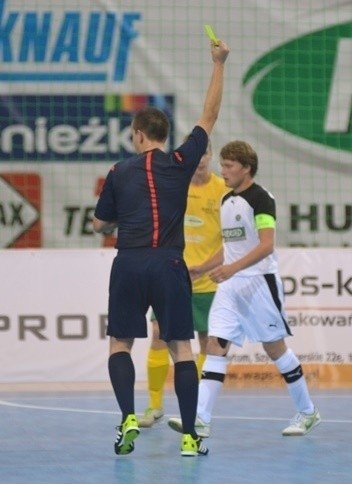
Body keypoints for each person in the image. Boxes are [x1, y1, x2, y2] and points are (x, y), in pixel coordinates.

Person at [92, 38, 230, 457]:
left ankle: (128, 418)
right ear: (166, 136)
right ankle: (190, 437)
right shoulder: (180, 162)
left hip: (130, 262)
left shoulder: (118, 171)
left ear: (137, 136)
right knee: (182, 349)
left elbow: (100, 223)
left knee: (120, 343)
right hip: (171, 263)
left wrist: (121, 216)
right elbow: (210, 114)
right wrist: (219, 64)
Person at [166, 140, 321, 438]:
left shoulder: (262, 199)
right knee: (215, 344)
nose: (222, 171)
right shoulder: (226, 201)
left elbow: (266, 245)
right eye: (222, 165)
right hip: (230, 287)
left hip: (259, 283)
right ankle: (200, 418)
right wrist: (201, 269)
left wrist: (232, 269)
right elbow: (230, 249)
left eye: (228, 166)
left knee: (274, 349)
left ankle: (307, 411)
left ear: (246, 168)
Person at [138, 139, 229, 428]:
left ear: (211, 155)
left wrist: (204, 267)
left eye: (205, 153)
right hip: (172, 277)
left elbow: (233, 241)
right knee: (158, 336)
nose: (200, 159)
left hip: (207, 281)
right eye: (196, 154)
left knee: (206, 343)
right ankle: (154, 406)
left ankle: (198, 408)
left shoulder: (224, 192)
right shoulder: (174, 187)